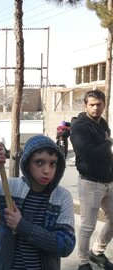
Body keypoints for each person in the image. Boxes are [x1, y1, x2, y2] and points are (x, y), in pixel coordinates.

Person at [0, 135, 75, 270]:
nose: (47, 170)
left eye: (53, 163)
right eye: (39, 162)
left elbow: (66, 245)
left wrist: (22, 226)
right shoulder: (9, 188)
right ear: (27, 163)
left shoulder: (62, 197)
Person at [70, 90, 113, 270]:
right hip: (90, 182)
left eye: (99, 104)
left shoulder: (103, 124)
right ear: (85, 106)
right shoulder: (79, 127)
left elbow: (103, 155)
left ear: (104, 105)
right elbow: (88, 154)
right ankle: (83, 262)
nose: (96, 108)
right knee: (88, 226)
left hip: (109, 181)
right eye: (92, 104)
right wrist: (107, 143)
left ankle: (97, 251)